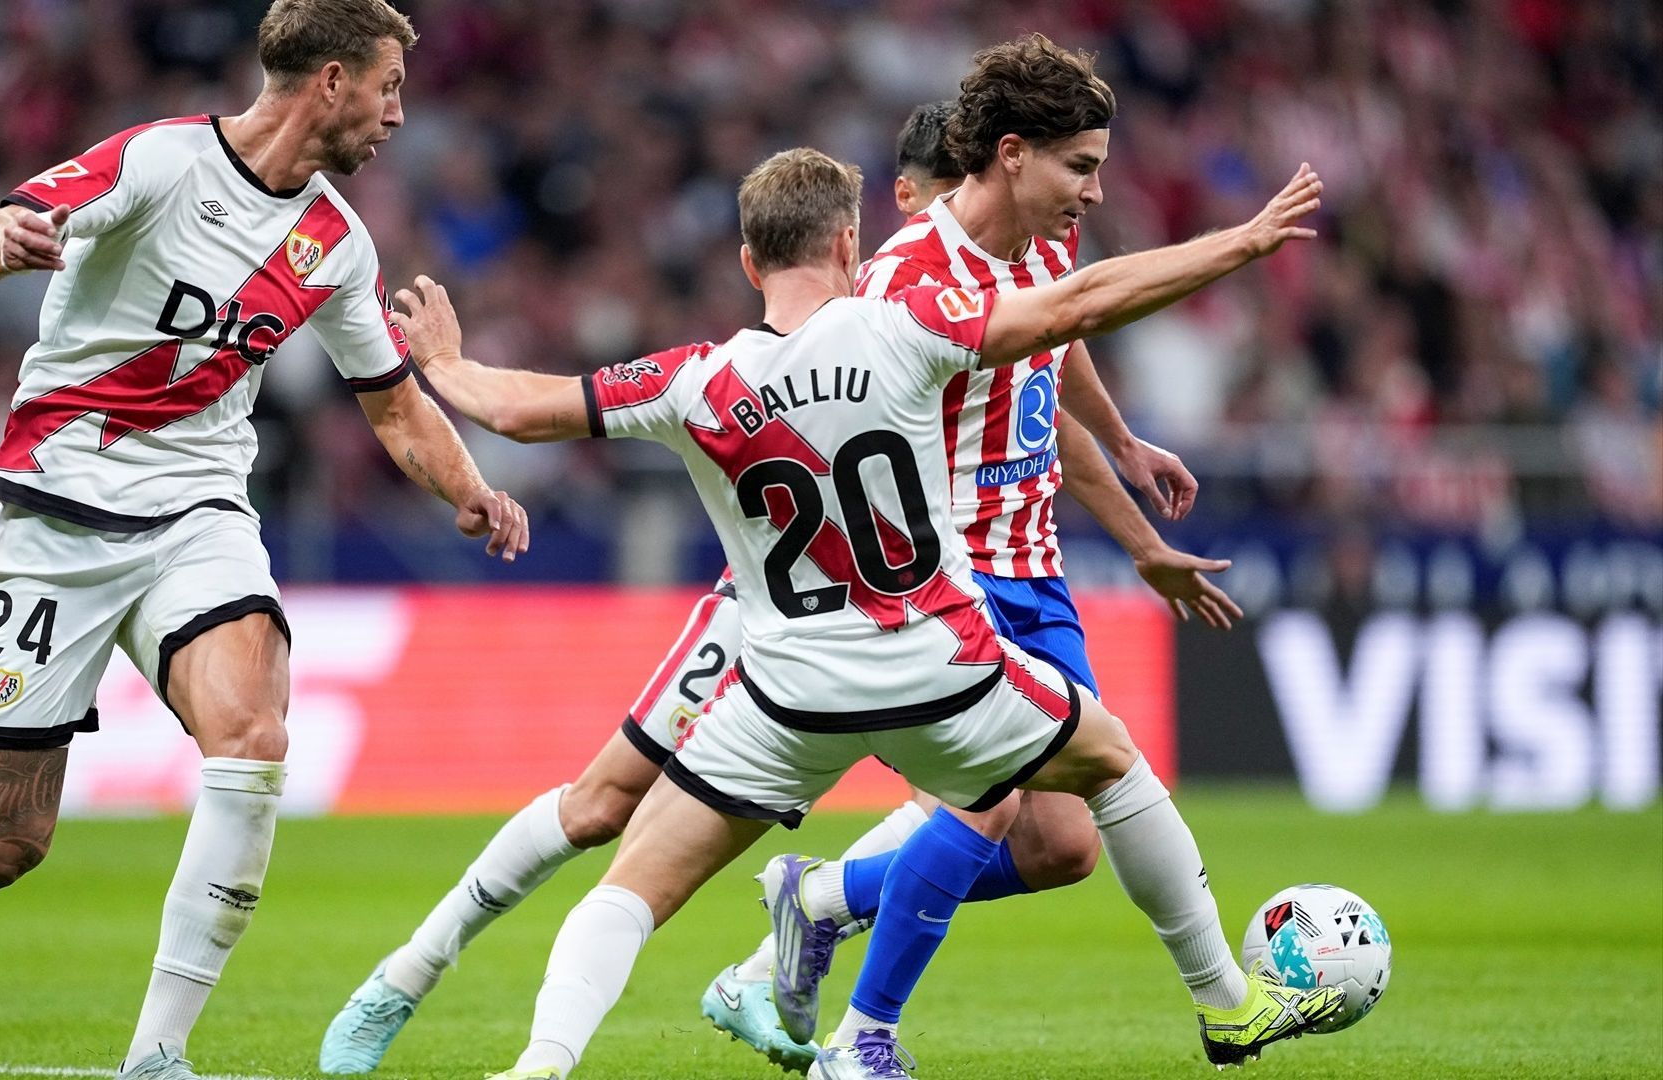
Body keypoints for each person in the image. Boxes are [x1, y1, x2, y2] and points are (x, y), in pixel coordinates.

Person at [319, 79, 1236, 1076]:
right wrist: (1244, 242)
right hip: (832, 626)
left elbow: (523, 408)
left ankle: (696, 1006)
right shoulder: (905, 314)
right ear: (858, 237)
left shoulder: (698, 374)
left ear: (748, 260)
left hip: (801, 662)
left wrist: (446, 364)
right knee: (601, 806)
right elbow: (1062, 317)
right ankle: (411, 974)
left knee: (1011, 826)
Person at [0, 4, 526, 1079]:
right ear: (330, 81)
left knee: (254, 735)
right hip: (54, 512)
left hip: (199, 513)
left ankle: (156, 1055)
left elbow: (389, 402)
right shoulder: (161, 162)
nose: (396, 115)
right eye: (386, 88)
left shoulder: (335, 242)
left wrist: (471, 491)